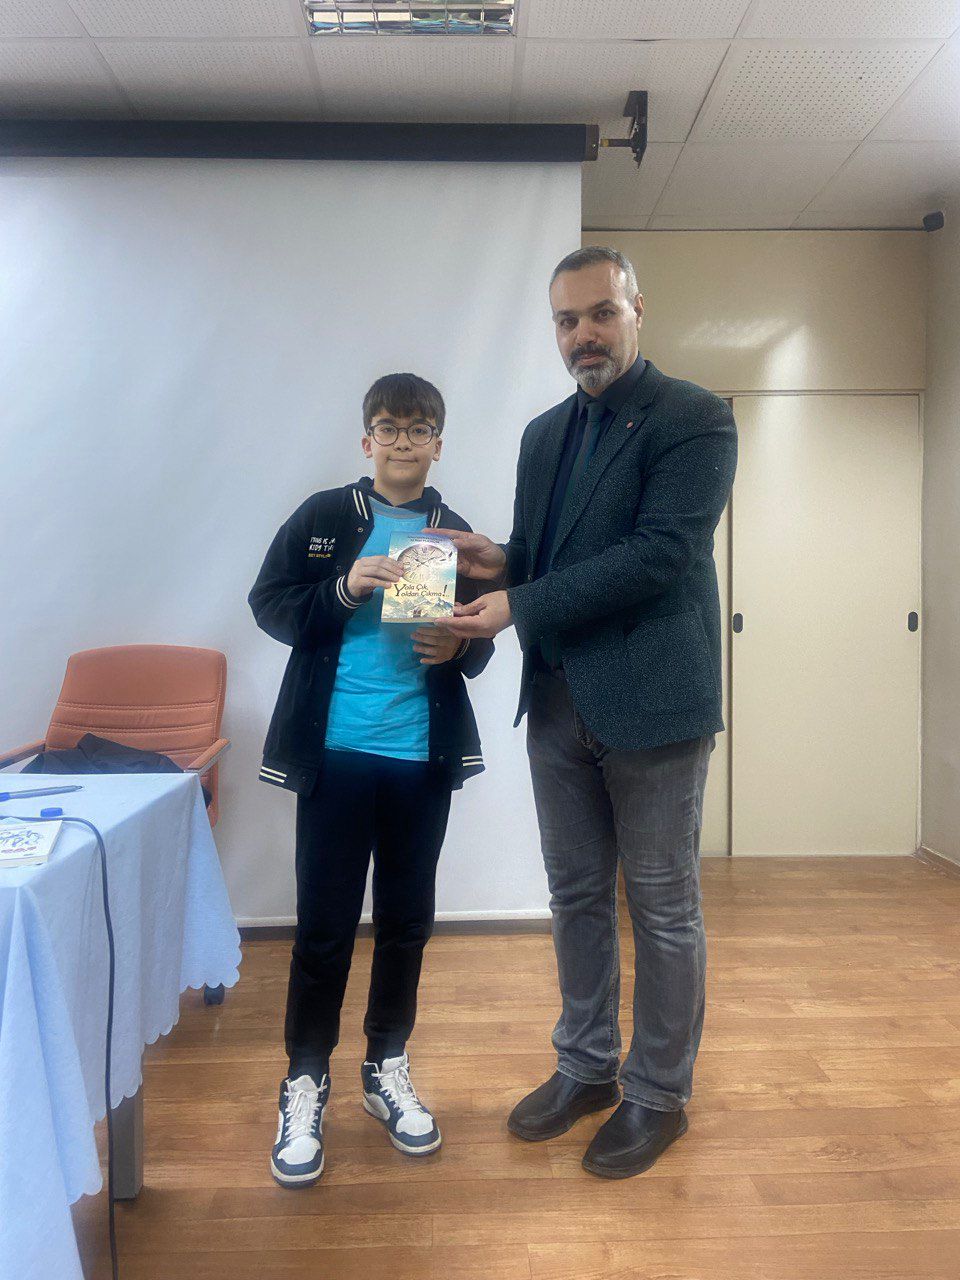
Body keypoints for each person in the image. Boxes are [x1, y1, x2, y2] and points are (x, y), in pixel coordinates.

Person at [440, 246, 738, 1179]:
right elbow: (550, 554)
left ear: (637, 309)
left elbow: (657, 555)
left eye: (601, 313)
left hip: (654, 702)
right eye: (566, 321)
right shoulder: (543, 435)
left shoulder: (694, 417)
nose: (583, 336)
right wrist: (502, 561)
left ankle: (659, 1094)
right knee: (573, 898)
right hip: (559, 697)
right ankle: (587, 1066)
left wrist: (519, 601)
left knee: (662, 906)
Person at [249, 372, 493, 1187]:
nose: (402, 442)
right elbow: (270, 604)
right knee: (323, 927)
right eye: (388, 428)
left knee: (406, 922)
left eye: (419, 430)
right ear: (367, 440)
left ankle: (385, 1065)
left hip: (420, 756)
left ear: (438, 444)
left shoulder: (456, 534)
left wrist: (461, 646)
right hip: (336, 754)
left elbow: (484, 637)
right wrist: (343, 587)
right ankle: (305, 1077)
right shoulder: (326, 517)